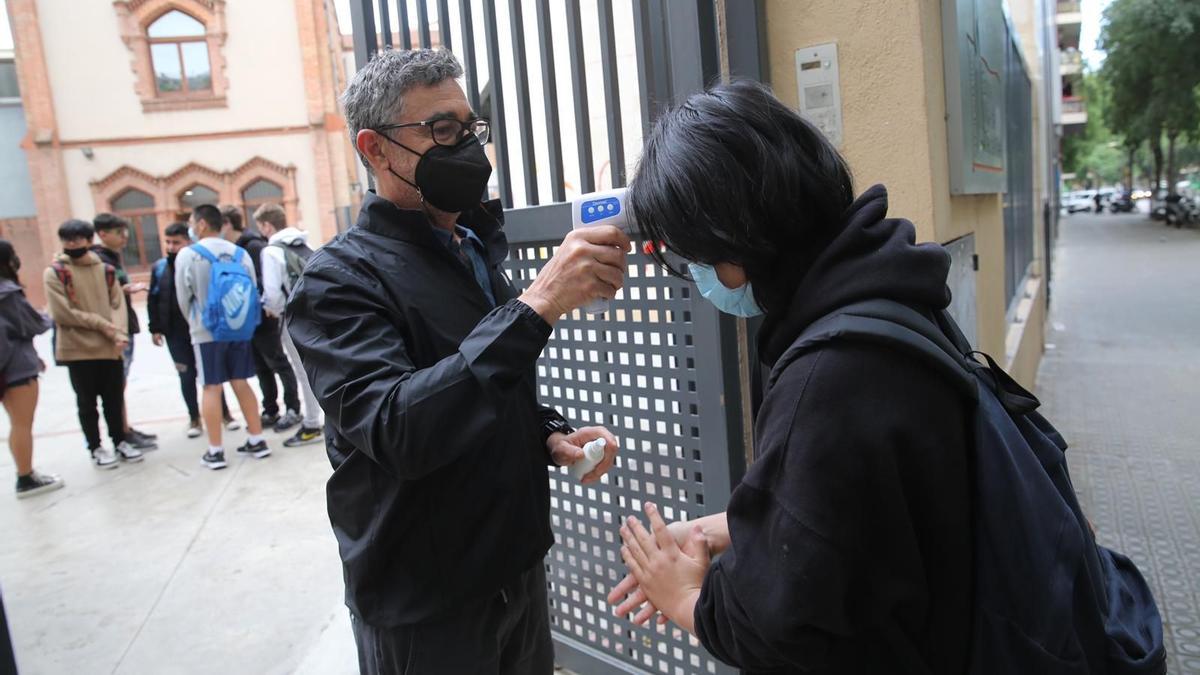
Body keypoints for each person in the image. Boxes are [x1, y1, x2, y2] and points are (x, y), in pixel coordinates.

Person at [609, 81, 972, 674]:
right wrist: (734, 525)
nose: (694, 274)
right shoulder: (888, 296)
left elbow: (779, 626)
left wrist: (685, 599)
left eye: (687, 254)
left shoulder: (828, 375)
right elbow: (859, 508)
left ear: (735, 236)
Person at [286, 48, 627, 674]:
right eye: (441, 130)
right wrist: (537, 305)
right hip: (426, 603)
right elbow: (398, 427)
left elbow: (481, 387)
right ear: (376, 149)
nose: (466, 145)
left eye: (470, 128)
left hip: (514, 569)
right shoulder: (337, 282)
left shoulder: (471, 248)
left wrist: (550, 434)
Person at [175, 204, 270, 469]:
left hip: (207, 333)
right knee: (241, 381)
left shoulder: (189, 255)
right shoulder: (240, 253)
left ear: (202, 224)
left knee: (211, 387)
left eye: (193, 221)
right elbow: (252, 289)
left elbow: (184, 299)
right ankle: (257, 439)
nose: (191, 227)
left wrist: (195, 324)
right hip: (239, 328)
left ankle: (215, 451)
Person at [44, 220, 144, 469]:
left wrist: (119, 333)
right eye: (67, 239)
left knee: (113, 398)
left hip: (109, 345)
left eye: (77, 239)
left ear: (89, 241)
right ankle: (95, 447)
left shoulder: (105, 270)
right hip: (78, 348)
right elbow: (62, 313)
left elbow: (118, 304)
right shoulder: (55, 272)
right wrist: (105, 326)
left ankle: (120, 441)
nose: (72, 244)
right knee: (87, 402)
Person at [148, 223, 236, 438]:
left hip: (201, 329)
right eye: (167, 242)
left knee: (213, 375)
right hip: (175, 333)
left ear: (187, 242)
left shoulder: (196, 261)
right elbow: (153, 298)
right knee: (186, 376)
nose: (171, 247)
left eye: (176, 242)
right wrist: (156, 328)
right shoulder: (159, 268)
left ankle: (225, 414)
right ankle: (194, 418)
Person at [220, 206, 302, 433]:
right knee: (261, 366)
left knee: (278, 363)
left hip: (265, 318)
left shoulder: (255, 246)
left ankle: (293, 408)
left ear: (227, 223)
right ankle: (270, 409)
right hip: (248, 319)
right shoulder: (235, 249)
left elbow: (267, 284)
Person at [253, 203, 322, 447]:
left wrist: (271, 310)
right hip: (319, 314)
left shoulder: (271, 251)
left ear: (267, 225)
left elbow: (272, 293)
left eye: (261, 227)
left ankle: (313, 424)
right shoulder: (304, 244)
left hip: (294, 319)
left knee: (304, 373)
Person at [0, 239, 63, 497]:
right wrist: (49, 314)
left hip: (7, 368)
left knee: (17, 423)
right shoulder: (8, 292)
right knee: (22, 423)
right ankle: (25, 477)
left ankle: (25, 473)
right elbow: (33, 324)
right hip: (16, 368)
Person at [92, 213, 158, 451]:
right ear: (103, 234)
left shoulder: (110, 257)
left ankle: (125, 427)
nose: (125, 237)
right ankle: (121, 432)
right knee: (114, 384)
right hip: (114, 330)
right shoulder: (97, 261)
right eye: (119, 232)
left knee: (120, 381)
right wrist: (123, 289)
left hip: (123, 327)